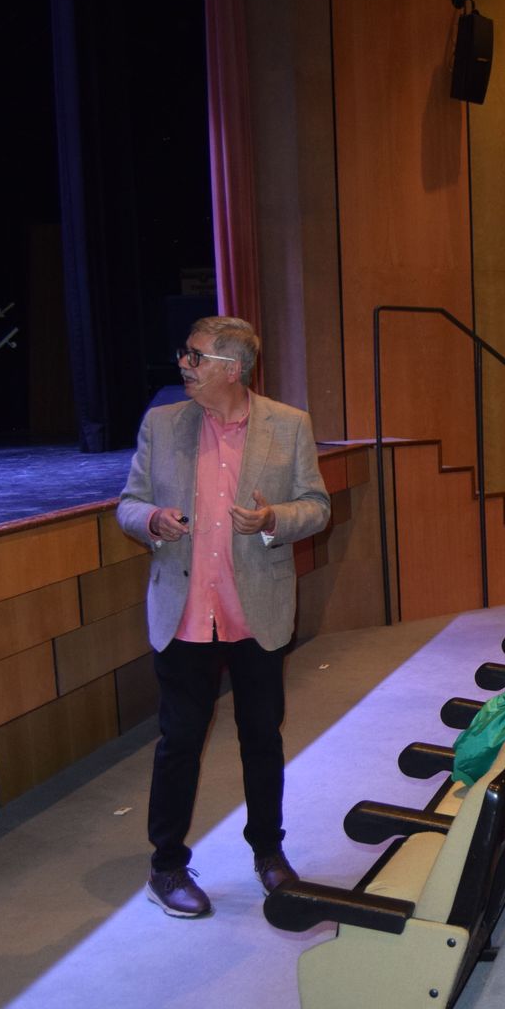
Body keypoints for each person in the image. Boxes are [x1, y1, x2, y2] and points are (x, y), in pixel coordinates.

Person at [117, 316, 330, 918]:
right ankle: (167, 865)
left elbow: (316, 507)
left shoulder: (288, 426)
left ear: (232, 369)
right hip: (184, 613)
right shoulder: (162, 424)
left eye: (196, 356)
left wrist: (271, 522)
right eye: (184, 353)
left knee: (261, 739)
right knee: (179, 741)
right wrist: (152, 520)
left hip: (255, 610)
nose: (184, 363)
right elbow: (128, 505)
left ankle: (269, 853)